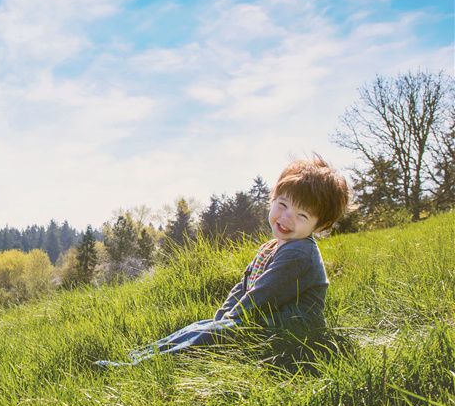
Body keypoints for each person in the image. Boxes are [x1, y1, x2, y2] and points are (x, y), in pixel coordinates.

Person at [96, 154, 351, 367]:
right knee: (200, 327)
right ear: (273, 199)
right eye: (283, 205)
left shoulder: (300, 253)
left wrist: (224, 326)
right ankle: (138, 357)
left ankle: (134, 368)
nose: (286, 218)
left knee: (208, 335)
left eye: (302, 215)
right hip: (264, 323)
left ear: (321, 225)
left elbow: (261, 296)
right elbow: (244, 287)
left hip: (290, 335)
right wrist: (220, 320)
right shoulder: (272, 247)